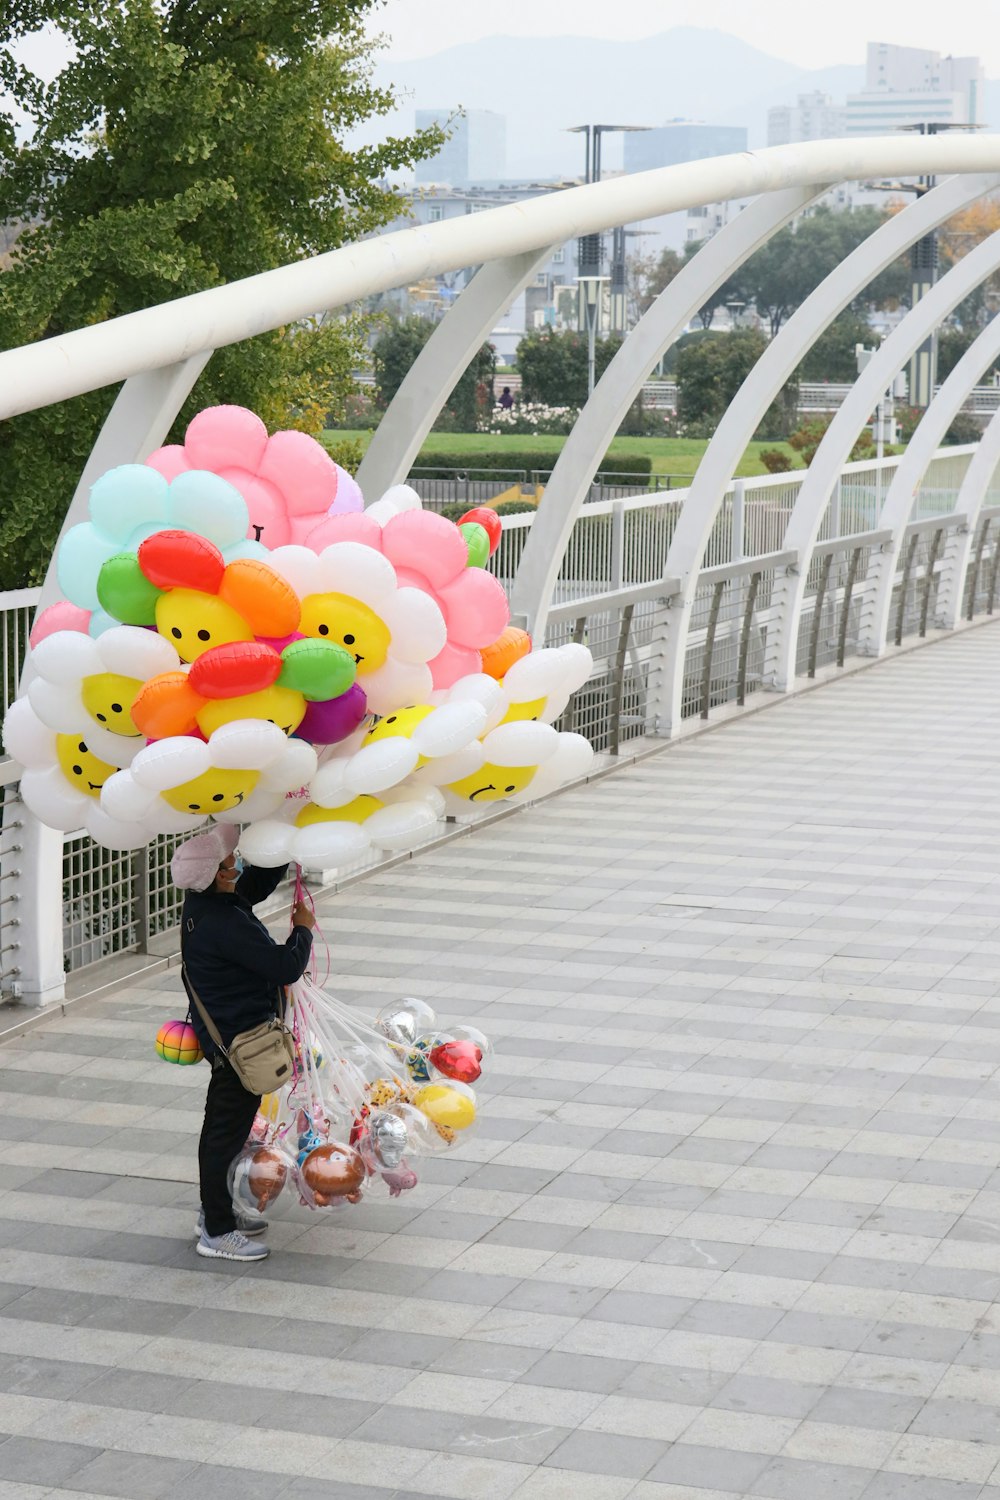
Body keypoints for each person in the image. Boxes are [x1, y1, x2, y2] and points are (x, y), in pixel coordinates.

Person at [170, 824, 315, 1263]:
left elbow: (249, 888)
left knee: (223, 1132)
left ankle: (214, 1212)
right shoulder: (224, 923)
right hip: (239, 1048)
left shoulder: (205, 905)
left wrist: (283, 847)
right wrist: (303, 931)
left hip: (230, 1042)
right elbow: (284, 966)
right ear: (214, 873)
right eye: (229, 862)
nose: (236, 865)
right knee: (222, 1136)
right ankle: (216, 1231)